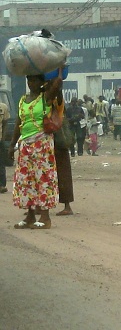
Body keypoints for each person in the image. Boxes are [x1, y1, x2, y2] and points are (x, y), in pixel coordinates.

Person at [10, 74, 63, 229]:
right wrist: (12, 144)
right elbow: (19, 123)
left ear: (41, 82)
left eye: (34, 80)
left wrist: (58, 72)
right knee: (26, 180)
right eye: (29, 80)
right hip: (25, 144)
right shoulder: (23, 100)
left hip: (42, 143)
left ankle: (45, 217)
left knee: (44, 178)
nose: (31, 83)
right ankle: (30, 215)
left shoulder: (45, 98)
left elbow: (57, 84)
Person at [0, 98, 8, 193]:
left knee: (1, 162)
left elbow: (5, 123)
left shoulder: (3, 107)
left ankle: (1, 185)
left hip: (0, 140)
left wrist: (3, 138)